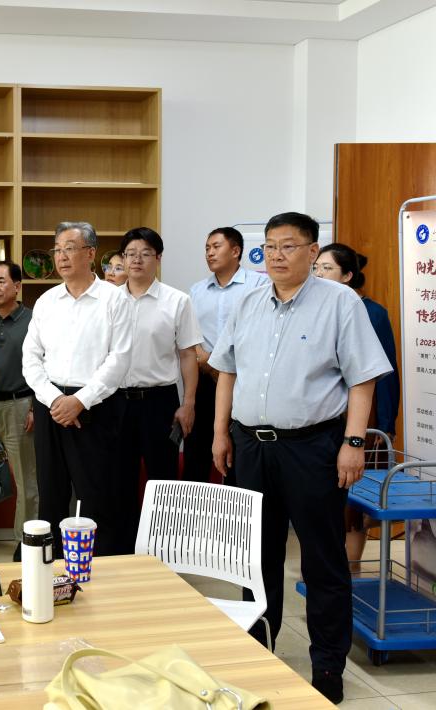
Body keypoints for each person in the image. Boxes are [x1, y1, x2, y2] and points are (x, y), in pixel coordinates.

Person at [210, 212, 391, 704]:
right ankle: (259, 650)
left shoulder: (339, 303)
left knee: (322, 559)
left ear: (313, 252)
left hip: (312, 447)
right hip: (251, 446)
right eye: (270, 246)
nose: (277, 255)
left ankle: (328, 666)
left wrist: (354, 443)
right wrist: (220, 432)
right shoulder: (248, 302)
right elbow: (227, 371)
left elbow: (363, 379)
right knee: (254, 557)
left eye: (288, 246)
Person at [22, 221, 133, 557]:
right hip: (51, 405)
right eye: (57, 250)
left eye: (69, 248)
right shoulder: (46, 301)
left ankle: (99, 567)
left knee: (97, 493)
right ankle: (50, 566)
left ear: (90, 253)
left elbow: (119, 359)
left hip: (96, 407)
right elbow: (31, 358)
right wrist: (57, 399)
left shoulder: (114, 299)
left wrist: (80, 401)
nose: (61, 256)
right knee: (51, 492)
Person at [314, 243, 401, 569]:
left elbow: (385, 374)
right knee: (322, 496)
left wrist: (385, 423)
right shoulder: (314, 308)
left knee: (352, 498)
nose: (319, 274)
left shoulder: (372, 312)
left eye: (327, 268)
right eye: (316, 268)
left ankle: (350, 569)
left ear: (348, 276)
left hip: (363, 415)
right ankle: (326, 568)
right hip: (323, 415)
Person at [117, 227, 201, 545]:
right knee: (119, 477)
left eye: (145, 253)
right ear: (122, 258)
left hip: (159, 401)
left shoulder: (177, 301)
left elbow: (188, 355)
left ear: (158, 258)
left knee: (163, 478)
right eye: (130, 253)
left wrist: (188, 403)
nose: (137, 260)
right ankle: (124, 549)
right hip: (116, 401)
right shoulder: (109, 300)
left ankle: (164, 548)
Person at [187, 227, 270, 483]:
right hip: (204, 380)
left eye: (216, 247)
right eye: (207, 248)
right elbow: (189, 334)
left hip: (244, 380)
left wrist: (222, 366)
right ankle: (194, 506)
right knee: (198, 451)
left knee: (238, 453)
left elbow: (261, 332)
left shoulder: (260, 285)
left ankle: (235, 504)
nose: (209, 253)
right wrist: (209, 363)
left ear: (235, 251)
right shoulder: (197, 290)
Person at [0, 260, 38, 562]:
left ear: (17, 286)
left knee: (26, 478)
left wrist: (36, 407)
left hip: (20, 405)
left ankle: (25, 539)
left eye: (1, 281)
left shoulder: (34, 320)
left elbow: (46, 365)